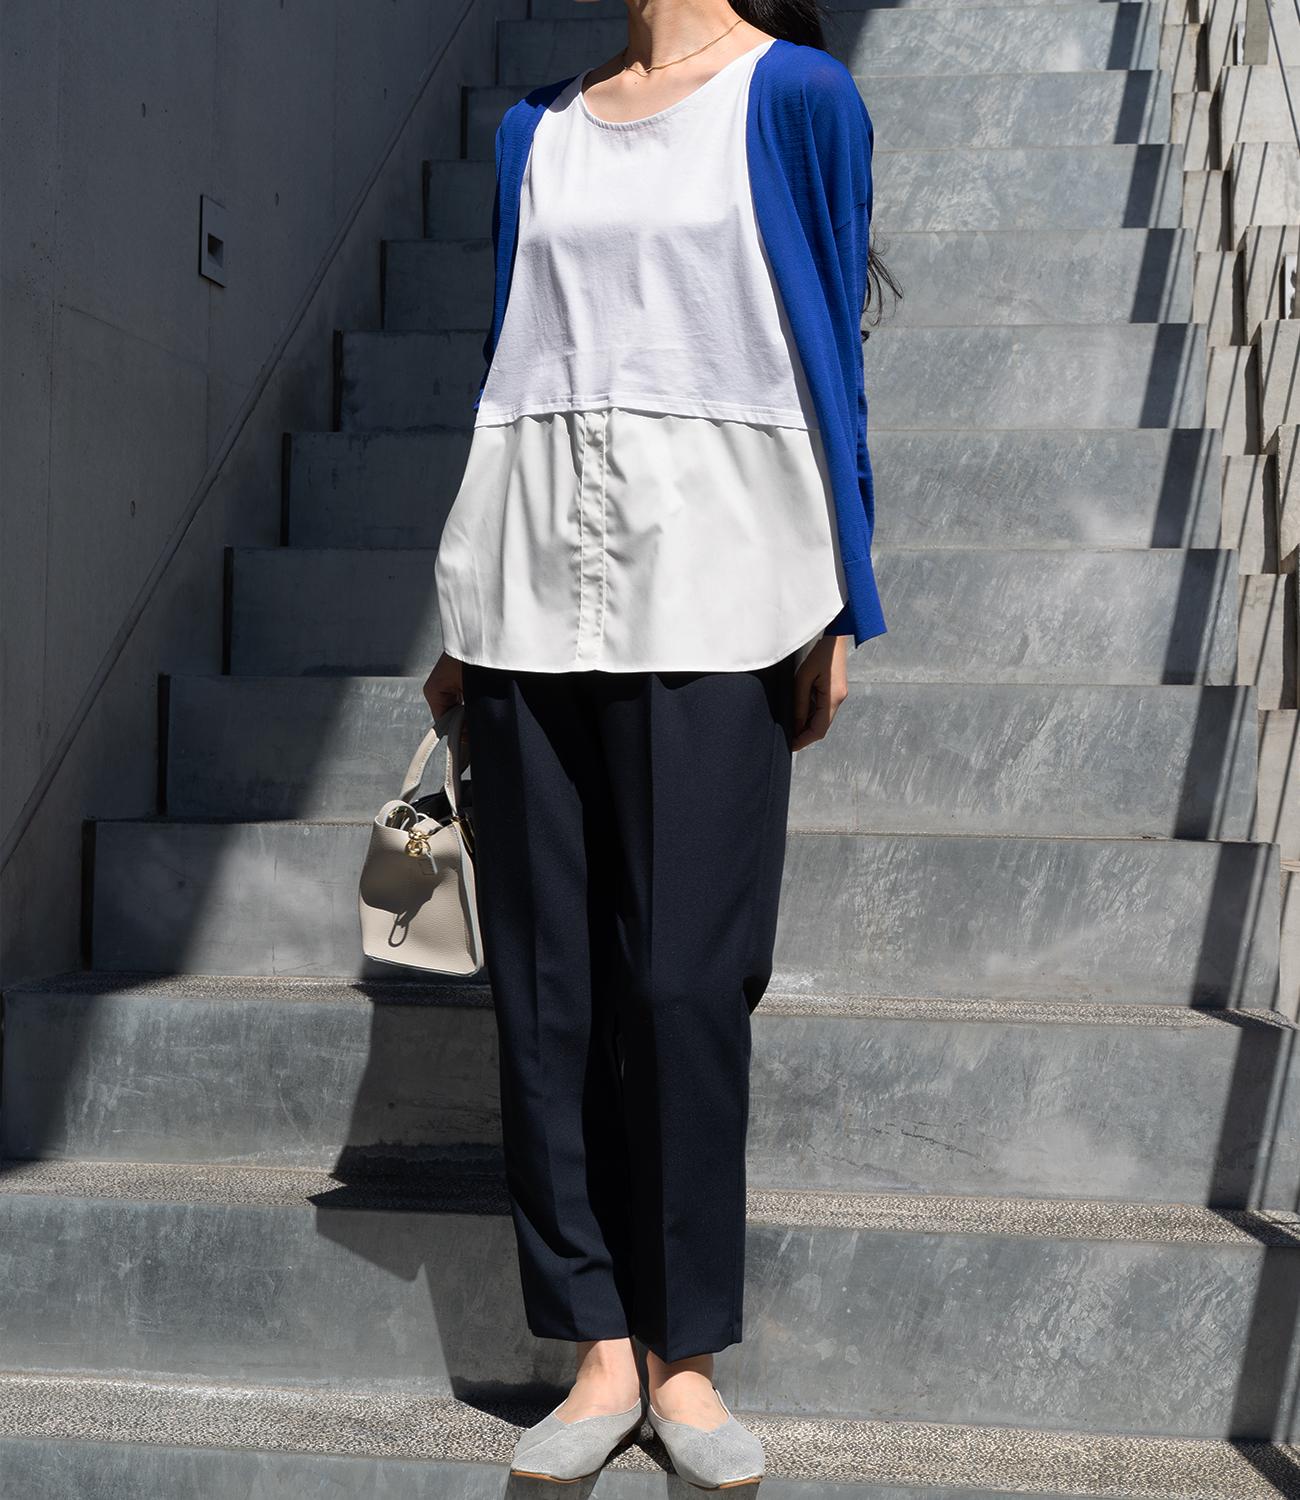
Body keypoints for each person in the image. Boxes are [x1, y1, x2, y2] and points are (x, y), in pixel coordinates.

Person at [423, 0, 896, 1485]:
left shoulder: (797, 97)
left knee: (687, 977)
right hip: (529, 592)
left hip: (726, 585)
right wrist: (462, 612)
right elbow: (513, 363)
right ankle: (599, 1348)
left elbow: (829, 350)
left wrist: (840, 599)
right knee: (546, 988)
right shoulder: (535, 129)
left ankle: (686, 1357)